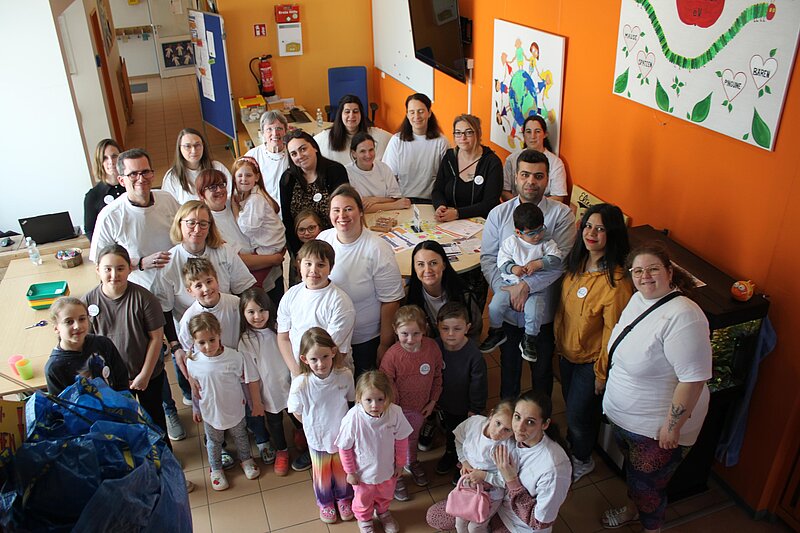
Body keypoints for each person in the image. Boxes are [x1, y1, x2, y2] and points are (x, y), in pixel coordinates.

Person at [601, 242, 712, 532]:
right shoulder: (638, 299)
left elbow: (693, 379)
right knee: (636, 478)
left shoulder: (685, 316)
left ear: (669, 272)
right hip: (626, 420)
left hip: (655, 433)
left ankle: (652, 528)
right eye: (638, 271)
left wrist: (672, 427)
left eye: (653, 269)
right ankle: (631, 511)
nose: (645, 276)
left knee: (648, 491)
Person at [480, 149, 576, 399]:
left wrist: (525, 287)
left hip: (543, 312)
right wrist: (507, 289)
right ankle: (507, 416)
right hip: (508, 310)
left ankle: (542, 419)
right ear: (515, 177)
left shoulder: (561, 215)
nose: (531, 181)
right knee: (509, 369)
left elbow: (559, 263)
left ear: (547, 179)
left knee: (541, 372)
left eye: (538, 176)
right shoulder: (498, 214)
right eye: (525, 175)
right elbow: (489, 258)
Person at [554, 203, 633, 483]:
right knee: (573, 408)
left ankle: (582, 459)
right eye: (588, 226)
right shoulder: (576, 263)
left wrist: (601, 373)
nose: (591, 233)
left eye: (600, 229)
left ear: (612, 235)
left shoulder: (617, 283)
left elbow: (613, 334)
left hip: (591, 362)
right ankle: (575, 445)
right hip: (566, 353)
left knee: (578, 415)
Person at [83, 244, 176, 441]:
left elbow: (156, 338)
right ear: (98, 270)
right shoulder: (88, 302)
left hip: (147, 374)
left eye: (120, 268)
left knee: (155, 419)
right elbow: (87, 344)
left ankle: (164, 455)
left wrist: (144, 375)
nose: (114, 274)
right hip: (111, 380)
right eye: (108, 269)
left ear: (129, 269)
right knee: (122, 425)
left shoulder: (145, 298)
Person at [318, 185, 404, 376]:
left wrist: (384, 344)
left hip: (365, 340)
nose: (342, 215)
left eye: (348, 209)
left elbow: (391, 301)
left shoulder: (378, 248)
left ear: (361, 211)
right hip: (330, 338)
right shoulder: (323, 239)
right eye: (336, 210)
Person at [186, 312, 262, 491]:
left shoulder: (234, 357)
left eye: (212, 340)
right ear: (194, 341)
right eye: (201, 342)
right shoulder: (193, 362)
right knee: (214, 441)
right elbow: (195, 388)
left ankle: (246, 459)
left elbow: (243, 382)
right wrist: (196, 409)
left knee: (240, 434)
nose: (208, 346)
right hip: (210, 411)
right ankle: (216, 469)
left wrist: (251, 403)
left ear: (219, 335)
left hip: (234, 407)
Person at [287, 327, 355, 525]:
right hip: (317, 438)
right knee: (322, 474)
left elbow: (351, 400)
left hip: (342, 436)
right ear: (304, 359)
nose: (320, 363)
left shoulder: (345, 375)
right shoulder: (301, 383)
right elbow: (296, 410)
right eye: (314, 359)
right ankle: (325, 502)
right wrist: (311, 426)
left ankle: (344, 498)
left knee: (342, 470)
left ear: (333, 352)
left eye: (325, 356)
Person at [90, 148, 180, 292]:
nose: (141, 179)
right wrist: (141, 263)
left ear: (152, 174)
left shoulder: (167, 199)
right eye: (133, 174)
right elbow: (102, 263)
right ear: (121, 180)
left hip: (178, 282)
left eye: (145, 172)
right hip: (141, 290)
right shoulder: (110, 216)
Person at [482, 202, 563, 362]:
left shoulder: (546, 242)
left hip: (535, 289)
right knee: (494, 307)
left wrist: (539, 263)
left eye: (540, 230)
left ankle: (529, 339)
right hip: (510, 286)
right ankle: (496, 331)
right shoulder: (511, 242)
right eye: (532, 233)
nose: (537, 236)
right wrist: (513, 268)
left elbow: (557, 259)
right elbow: (501, 261)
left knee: (534, 312)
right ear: (518, 232)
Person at [379, 305, 443, 501]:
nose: (410, 339)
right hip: (397, 411)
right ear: (395, 330)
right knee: (394, 443)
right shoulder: (392, 356)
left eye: (416, 333)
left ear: (424, 330)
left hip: (421, 409)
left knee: (412, 438)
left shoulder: (432, 348)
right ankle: (395, 473)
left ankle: (411, 461)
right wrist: (394, 410)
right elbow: (386, 385)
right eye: (404, 334)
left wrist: (432, 401)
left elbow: (437, 375)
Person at [336, 370, 413, 533]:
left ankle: (383, 512)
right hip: (362, 474)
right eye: (369, 400)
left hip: (387, 469)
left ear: (388, 397)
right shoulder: (353, 418)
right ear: (359, 398)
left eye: (380, 399)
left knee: (385, 495)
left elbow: (402, 440)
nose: (375, 405)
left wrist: (400, 464)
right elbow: (344, 447)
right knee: (363, 499)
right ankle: (364, 519)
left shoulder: (395, 413)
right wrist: (350, 472)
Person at [154, 200, 255, 324]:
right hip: (192, 329)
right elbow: (164, 310)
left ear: (210, 227)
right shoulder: (168, 263)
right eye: (191, 223)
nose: (197, 229)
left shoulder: (224, 251)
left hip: (229, 321)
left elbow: (245, 290)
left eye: (203, 224)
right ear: (179, 224)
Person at [425, 400, 516, 533]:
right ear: (491, 415)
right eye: (498, 423)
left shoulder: (508, 447)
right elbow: (459, 440)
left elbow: (507, 481)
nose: (499, 432)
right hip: (468, 486)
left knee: (475, 527)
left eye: (507, 430)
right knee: (459, 523)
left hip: (492, 493)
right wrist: (464, 462)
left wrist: (484, 476)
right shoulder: (474, 423)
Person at [238, 287, 299, 476]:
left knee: (297, 414)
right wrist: (256, 402)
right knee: (275, 423)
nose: (257, 316)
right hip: (270, 391)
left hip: (290, 384)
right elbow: (251, 376)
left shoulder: (279, 328)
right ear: (243, 313)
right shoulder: (246, 341)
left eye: (262, 310)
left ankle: (301, 434)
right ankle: (282, 450)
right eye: (251, 312)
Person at [197, 168, 284, 298]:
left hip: (272, 273)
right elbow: (238, 260)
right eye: (212, 187)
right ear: (201, 194)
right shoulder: (206, 222)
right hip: (249, 282)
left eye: (222, 185)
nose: (219, 190)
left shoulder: (236, 202)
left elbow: (270, 213)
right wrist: (274, 259)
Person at [277, 239, 356, 376]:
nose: (313, 270)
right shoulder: (291, 295)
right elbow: (283, 337)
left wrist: (313, 379)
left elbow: (335, 351)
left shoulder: (340, 302)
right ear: (299, 264)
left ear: (330, 268)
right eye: (308, 264)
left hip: (330, 375)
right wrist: (297, 372)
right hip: (299, 372)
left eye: (320, 265)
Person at [430, 302, 488, 477]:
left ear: (467, 328)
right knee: (450, 432)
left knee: (466, 437)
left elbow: (479, 384)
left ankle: (465, 464)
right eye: (445, 328)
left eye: (457, 329)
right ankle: (450, 453)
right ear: (438, 327)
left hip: (466, 407)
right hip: (444, 403)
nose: (450, 334)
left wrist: (475, 409)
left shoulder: (474, 355)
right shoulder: (434, 346)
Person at [280, 129, 349, 254]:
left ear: (315, 147)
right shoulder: (288, 179)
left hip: (335, 244)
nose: (300, 156)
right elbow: (287, 221)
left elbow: (344, 212)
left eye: (303, 149)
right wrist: (298, 254)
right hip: (303, 248)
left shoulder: (335, 171)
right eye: (294, 154)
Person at [44, 297, 129, 396]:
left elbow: (121, 379)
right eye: (69, 322)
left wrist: (123, 401)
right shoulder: (54, 368)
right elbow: (61, 403)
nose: (77, 326)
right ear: (56, 328)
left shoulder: (103, 343)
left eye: (82, 319)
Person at [230, 157, 286, 298]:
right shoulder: (253, 195)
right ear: (234, 178)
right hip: (271, 244)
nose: (244, 179)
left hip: (270, 247)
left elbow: (247, 228)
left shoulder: (255, 199)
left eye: (248, 175)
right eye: (240, 175)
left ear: (256, 177)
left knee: (253, 284)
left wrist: (235, 209)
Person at [405, 240, 483, 341]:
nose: (427, 270)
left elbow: (474, 332)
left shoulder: (464, 296)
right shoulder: (407, 296)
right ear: (414, 268)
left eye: (433, 263)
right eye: (420, 264)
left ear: (444, 265)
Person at [432, 114, 503, 221]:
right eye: (458, 133)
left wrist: (457, 214)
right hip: (450, 220)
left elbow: (490, 203)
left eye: (468, 132)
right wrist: (440, 206)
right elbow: (437, 190)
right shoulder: (449, 157)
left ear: (478, 133)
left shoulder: (492, 162)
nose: (463, 138)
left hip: (482, 222)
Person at [382, 93, 449, 202]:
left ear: (429, 113)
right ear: (407, 115)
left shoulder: (441, 142)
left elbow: (445, 178)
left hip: (431, 201)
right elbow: (389, 177)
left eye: (421, 111)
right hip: (403, 200)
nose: (416, 116)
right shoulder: (397, 141)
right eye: (412, 112)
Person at [501, 115, 567, 203]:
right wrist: (521, 206)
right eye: (528, 131)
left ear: (545, 134)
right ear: (523, 134)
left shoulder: (556, 163)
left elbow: (558, 197)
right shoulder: (511, 160)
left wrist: (535, 207)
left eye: (537, 131)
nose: (533, 136)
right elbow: (504, 191)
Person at [314, 94, 392, 166]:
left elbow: (394, 140)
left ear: (361, 115)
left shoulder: (375, 134)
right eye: (347, 112)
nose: (351, 115)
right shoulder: (326, 137)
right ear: (340, 115)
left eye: (355, 111)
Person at [161, 127, 232, 205]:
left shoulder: (217, 167)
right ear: (179, 148)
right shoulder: (172, 176)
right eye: (187, 146)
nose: (194, 151)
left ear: (203, 146)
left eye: (197, 145)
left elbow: (231, 193)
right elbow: (168, 206)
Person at [345, 132, 410, 213]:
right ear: (354, 153)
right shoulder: (347, 172)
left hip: (389, 215)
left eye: (371, 150)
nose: (368, 155)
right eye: (362, 151)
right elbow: (359, 208)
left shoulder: (383, 168)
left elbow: (396, 198)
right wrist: (394, 205)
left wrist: (375, 199)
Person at [244, 111, 290, 211]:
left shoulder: (293, 153)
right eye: (269, 129)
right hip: (262, 208)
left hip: (288, 207)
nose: (275, 133)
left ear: (286, 131)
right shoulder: (252, 156)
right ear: (262, 133)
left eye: (279, 128)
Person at [84, 138, 124, 241]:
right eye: (105, 158)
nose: (111, 161)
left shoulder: (131, 187)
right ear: (100, 162)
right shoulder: (93, 195)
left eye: (114, 156)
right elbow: (90, 230)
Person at [289, 209, 324, 286]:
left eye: (311, 228)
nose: (307, 233)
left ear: (320, 228)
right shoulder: (296, 255)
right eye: (301, 230)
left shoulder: (326, 251)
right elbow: (293, 282)